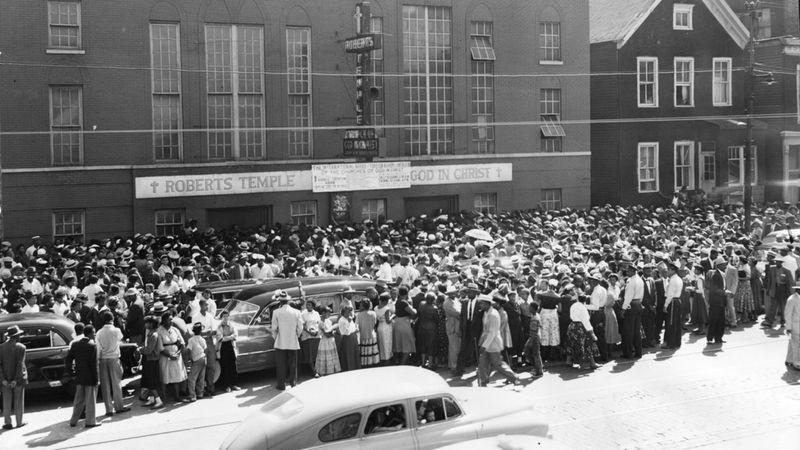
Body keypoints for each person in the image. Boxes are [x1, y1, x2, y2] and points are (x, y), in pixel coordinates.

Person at [477, 296, 519, 386]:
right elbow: (485, 330)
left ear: (487, 304)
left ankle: (514, 377)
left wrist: (484, 346)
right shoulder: (486, 313)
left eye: (482, 303)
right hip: (486, 343)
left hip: (493, 344)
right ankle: (483, 382)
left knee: (498, 365)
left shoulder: (493, 314)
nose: (480, 305)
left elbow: (492, 332)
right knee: (482, 364)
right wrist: (482, 342)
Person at [65, 325, 100, 428]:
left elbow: (68, 359)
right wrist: (96, 379)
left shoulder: (75, 344)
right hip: (90, 377)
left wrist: (71, 371)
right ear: (89, 333)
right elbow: (94, 365)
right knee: (90, 401)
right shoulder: (92, 346)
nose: (94, 334)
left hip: (79, 376)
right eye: (94, 332)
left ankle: (73, 420)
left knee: (78, 400)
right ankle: (90, 421)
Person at [95, 311, 129, 416]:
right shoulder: (116, 330)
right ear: (112, 319)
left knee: (105, 385)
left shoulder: (99, 332)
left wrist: (98, 359)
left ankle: (109, 409)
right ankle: (119, 406)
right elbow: (120, 339)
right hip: (114, 358)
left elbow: (98, 347)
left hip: (103, 359)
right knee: (116, 383)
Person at [271, 290, 302, 390]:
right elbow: (300, 327)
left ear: (280, 301)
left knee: (281, 364)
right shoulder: (296, 312)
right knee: (292, 363)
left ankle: (281, 384)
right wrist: (296, 335)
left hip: (281, 341)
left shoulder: (276, 312)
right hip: (292, 340)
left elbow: (274, 328)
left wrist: (276, 338)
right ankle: (293, 383)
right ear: (288, 301)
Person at [157, 311, 189, 403]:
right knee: (164, 377)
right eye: (169, 320)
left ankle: (177, 396)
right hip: (165, 356)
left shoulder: (175, 330)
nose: (171, 321)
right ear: (164, 321)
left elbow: (182, 343)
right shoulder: (159, 331)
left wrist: (177, 353)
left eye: (171, 319)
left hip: (176, 355)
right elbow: (160, 347)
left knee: (176, 376)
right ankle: (163, 398)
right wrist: (170, 355)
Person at [0, 325, 26, 429]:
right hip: (18, 379)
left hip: (5, 380)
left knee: (6, 401)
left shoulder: (1, 347)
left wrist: (3, 379)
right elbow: (20, 365)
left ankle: (7, 423)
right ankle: (19, 422)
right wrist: (15, 379)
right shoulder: (21, 347)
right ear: (16, 336)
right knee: (18, 401)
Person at [566, 295, 601, 370]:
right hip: (580, 327)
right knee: (588, 343)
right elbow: (585, 321)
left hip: (572, 325)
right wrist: (592, 333)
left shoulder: (573, 305)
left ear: (578, 299)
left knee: (571, 343)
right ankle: (592, 363)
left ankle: (568, 361)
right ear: (585, 301)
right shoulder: (583, 308)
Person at [139, 316, 164, 409]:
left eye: (147, 322)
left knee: (152, 381)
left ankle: (158, 401)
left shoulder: (153, 335)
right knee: (148, 381)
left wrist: (140, 349)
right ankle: (152, 399)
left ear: (151, 324)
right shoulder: (150, 333)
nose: (145, 324)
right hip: (149, 359)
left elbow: (149, 350)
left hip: (151, 360)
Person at [621, 264, 644, 359]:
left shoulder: (631, 282)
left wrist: (623, 309)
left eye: (629, 271)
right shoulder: (640, 280)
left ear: (633, 271)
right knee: (636, 330)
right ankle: (638, 352)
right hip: (638, 303)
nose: (627, 273)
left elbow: (628, 297)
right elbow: (642, 295)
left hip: (631, 304)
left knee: (628, 331)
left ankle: (628, 353)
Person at [216, 310, 240, 392]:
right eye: (224, 316)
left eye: (227, 316)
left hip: (231, 346)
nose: (225, 318)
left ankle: (234, 384)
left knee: (233, 366)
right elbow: (220, 338)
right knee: (225, 367)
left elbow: (235, 335)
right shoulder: (219, 326)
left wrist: (227, 337)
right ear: (221, 318)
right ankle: (226, 386)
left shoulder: (232, 325)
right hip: (223, 348)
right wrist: (230, 337)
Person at [392, 286, 417, 366]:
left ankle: (398, 362)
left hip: (397, 323)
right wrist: (414, 308)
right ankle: (402, 365)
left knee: (399, 344)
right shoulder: (404, 302)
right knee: (408, 345)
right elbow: (413, 312)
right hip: (404, 324)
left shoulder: (398, 301)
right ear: (407, 293)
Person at [662, 262, 685, 350]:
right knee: (676, 323)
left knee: (671, 323)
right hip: (677, 301)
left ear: (673, 270)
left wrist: (665, 305)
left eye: (669, 270)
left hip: (672, 302)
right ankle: (676, 342)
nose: (667, 271)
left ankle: (670, 343)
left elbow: (670, 294)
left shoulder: (673, 280)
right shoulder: (678, 279)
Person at [707, 257, 728, 345]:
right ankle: (710, 338)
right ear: (719, 265)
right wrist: (725, 293)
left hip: (721, 301)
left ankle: (718, 337)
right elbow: (714, 289)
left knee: (721, 320)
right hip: (715, 301)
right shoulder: (715, 275)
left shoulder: (721, 274)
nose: (725, 266)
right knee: (714, 320)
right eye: (723, 265)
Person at [415, 293, 439, 369]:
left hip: (421, 327)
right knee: (431, 346)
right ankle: (430, 364)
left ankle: (423, 362)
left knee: (423, 345)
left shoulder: (421, 305)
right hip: (431, 329)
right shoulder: (434, 308)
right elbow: (436, 320)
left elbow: (418, 315)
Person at [315, 306, 341, 376]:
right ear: (323, 313)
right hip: (325, 342)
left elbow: (330, 331)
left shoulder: (329, 321)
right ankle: (324, 371)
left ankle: (332, 370)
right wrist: (333, 332)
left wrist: (333, 331)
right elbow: (326, 334)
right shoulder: (321, 323)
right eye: (328, 313)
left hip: (331, 341)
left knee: (331, 355)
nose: (329, 315)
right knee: (326, 356)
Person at [186, 323, 207, 402]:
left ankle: (192, 395)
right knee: (201, 377)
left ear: (193, 331)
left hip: (196, 359)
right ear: (201, 331)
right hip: (203, 358)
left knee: (191, 379)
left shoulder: (191, 340)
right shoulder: (202, 339)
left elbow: (189, 350)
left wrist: (190, 360)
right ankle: (200, 393)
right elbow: (205, 349)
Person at [355, 300, 379, 368]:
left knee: (364, 353)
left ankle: (365, 366)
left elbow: (356, 326)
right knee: (372, 352)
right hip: (372, 334)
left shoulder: (359, 315)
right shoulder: (373, 313)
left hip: (363, 335)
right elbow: (375, 323)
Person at [300, 300, 321, 375]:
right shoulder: (303, 314)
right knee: (310, 354)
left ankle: (318, 369)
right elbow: (302, 326)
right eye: (307, 305)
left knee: (317, 353)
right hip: (307, 336)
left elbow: (319, 323)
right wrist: (309, 332)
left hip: (316, 335)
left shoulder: (316, 313)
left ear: (313, 306)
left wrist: (316, 331)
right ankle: (314, 371)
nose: (308, 306)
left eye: (310, 305)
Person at [337, 305, 361, 372]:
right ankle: (349, 369)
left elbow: (353, 327)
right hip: (347, 339)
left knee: (354, 353)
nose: (349, 313)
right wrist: (350, 323)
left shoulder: (348, 318)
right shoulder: (342, 320)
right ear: (343, 312)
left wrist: (356, 328)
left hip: (353, 338)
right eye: (347, 312)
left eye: (349, 312)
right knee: (349, 354)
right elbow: (346, 332)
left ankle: (355, 367)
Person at [523, 301, 544, 378]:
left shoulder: (535, 318)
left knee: (534, 354)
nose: (529, 308)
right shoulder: (535, 315)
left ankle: (538, 371)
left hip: (534, 338)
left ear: (533, 308)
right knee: (535, 354)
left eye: (530, 307)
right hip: (535, 337)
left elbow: (534, 331)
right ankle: (538, 369)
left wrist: (530, 341)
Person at [374, 292, 395, 364]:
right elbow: (388, 321)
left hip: (379, 327)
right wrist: (393, 315)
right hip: (386, 327)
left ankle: (382, 358)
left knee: (381, 343)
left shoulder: (376, 308)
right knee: (387, 343)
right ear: (386, 301)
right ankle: (387, 359)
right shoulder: (386, 309)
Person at [784, 283, 800, 370]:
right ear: (797, 289)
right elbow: (788, 314)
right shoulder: (792, 299)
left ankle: (789, 360)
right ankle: (797, 363)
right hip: (795, 326)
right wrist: (788, 327)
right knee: (796, 345)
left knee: (792, 343)